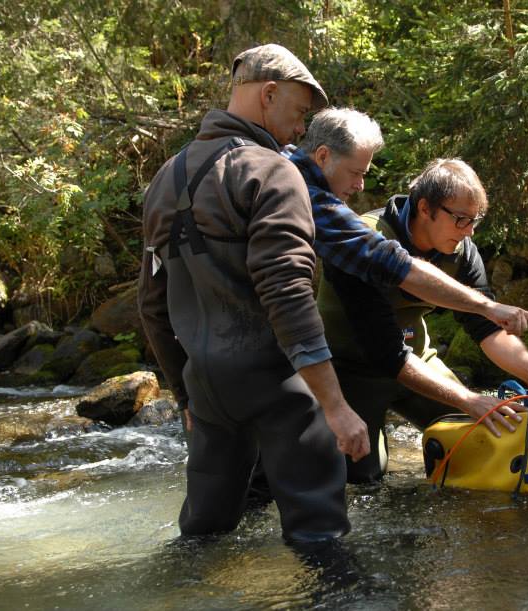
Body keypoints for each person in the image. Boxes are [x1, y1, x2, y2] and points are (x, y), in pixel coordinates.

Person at [137, 44, 368, 542]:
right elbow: (286, 290)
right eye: (300, 112)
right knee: (321, 538)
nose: (301, 128)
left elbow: (152, 305)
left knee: (202, 536)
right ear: (268, 94)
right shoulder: (272, 171)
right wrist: (334, 405)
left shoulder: (165, 177)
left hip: (207, 388)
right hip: (277, 384)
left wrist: (185, 394)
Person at [318, 158, 528, 483]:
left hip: (416, 358)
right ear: (426, 208)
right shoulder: (363, 241)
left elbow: (485, 327)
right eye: (460, 219)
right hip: (350, 371)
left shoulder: (462, 251)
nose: (469, 231)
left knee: (485, 432)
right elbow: (385, 353)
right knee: (364, 478)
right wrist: (468, 398)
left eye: (475, 221)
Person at [283, 107, 528, 338]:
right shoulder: (301, 196)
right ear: (322, 157)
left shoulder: (287, 176)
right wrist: (473, 398)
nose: (361, 185)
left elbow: (486, 330)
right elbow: (394, 268)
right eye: (355, 172)